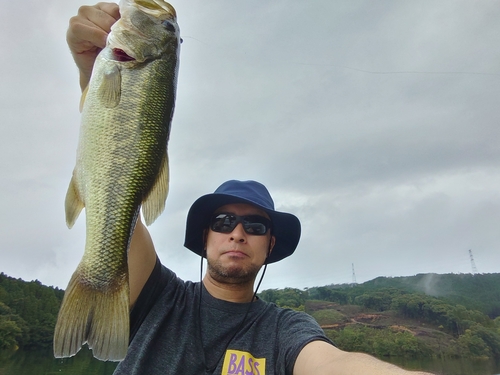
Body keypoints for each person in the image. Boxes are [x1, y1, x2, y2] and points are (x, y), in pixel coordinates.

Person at [66, 3, 436, 374]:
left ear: (270, 244)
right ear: (206, 235)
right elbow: (114, 189)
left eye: (255, 226)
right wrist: (92, 77)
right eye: (224, 222)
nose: (238, 234)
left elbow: (335, 365)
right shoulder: (159, 296)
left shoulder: (285, 331)